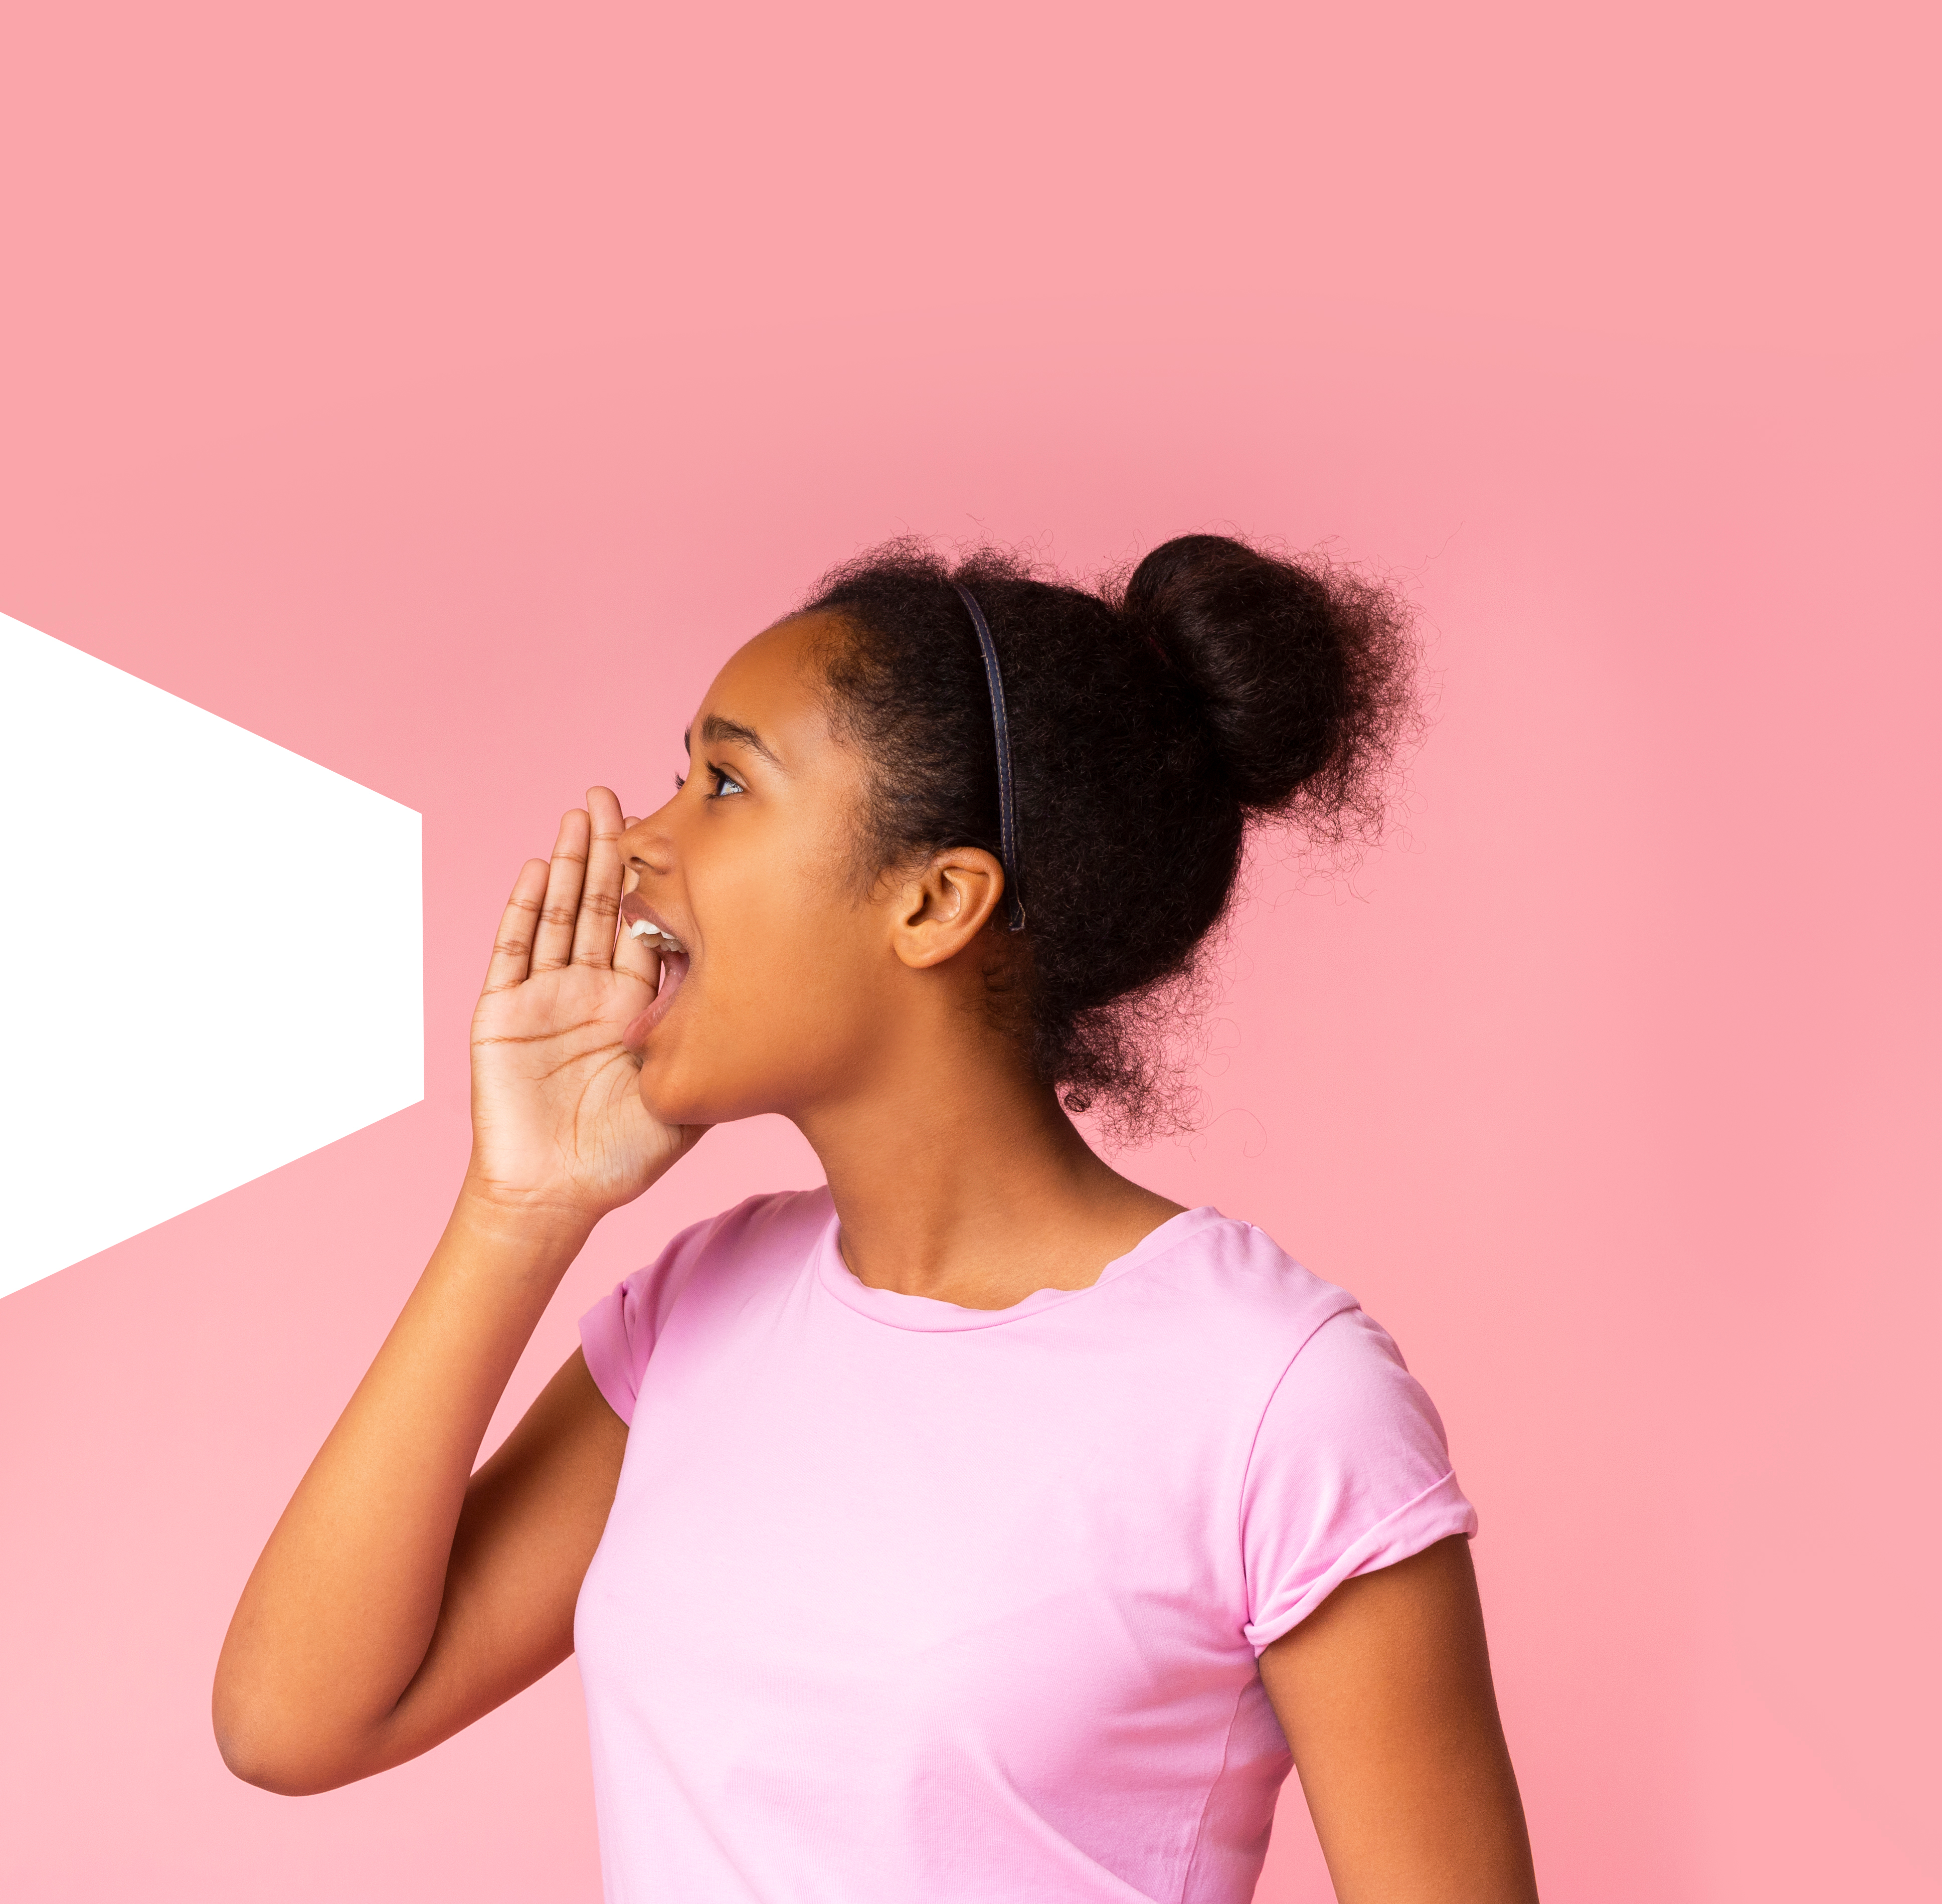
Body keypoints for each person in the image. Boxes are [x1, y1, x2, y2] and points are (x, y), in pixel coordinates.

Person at [212, 535, 1540, 1902]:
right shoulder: (699, 1306)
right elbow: (293, 1722)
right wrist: (518, 1208)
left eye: (724, 783)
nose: (638, 843)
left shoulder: (1271, 1395)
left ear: (931, 900)